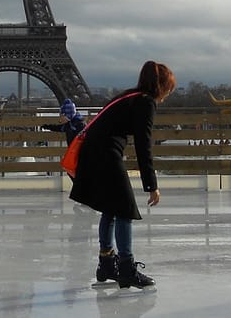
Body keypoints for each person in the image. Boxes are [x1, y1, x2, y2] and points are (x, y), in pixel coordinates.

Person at [69, 60, 176, 289]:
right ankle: (126, 268)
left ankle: (107, 262)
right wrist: (152, 185)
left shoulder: (130, 96)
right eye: (169, 88)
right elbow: (143, 145)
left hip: (94, 152)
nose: (168, 94)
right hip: (105, 153)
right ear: (161, 86)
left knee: (111, 208)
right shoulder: (145, 103)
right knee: (125, 209)